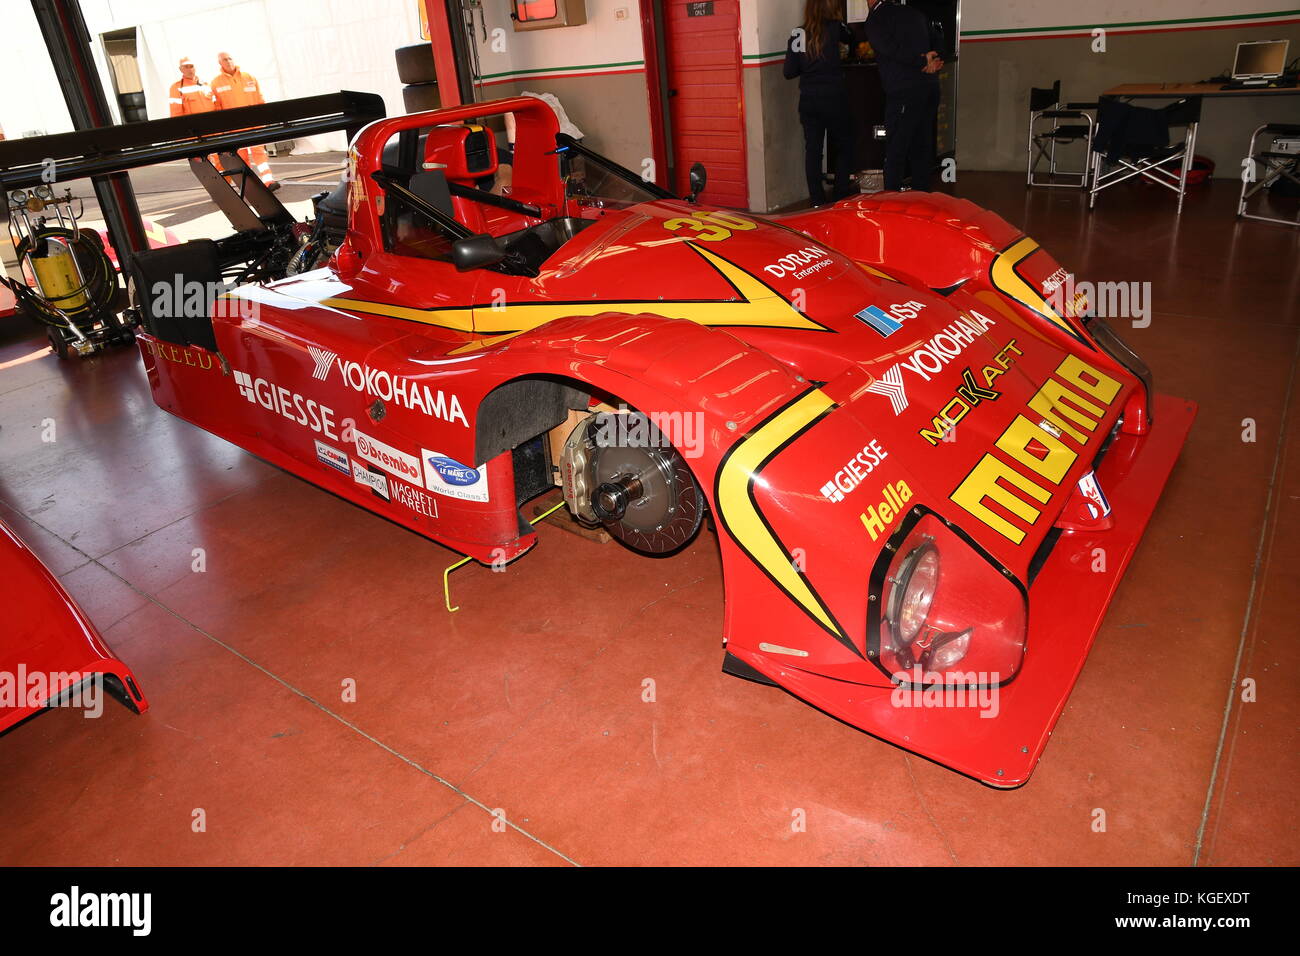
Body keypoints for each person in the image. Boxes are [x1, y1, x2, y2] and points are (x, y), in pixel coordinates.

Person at [862, 0, 943, 191]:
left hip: (904, 91)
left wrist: (921, 60)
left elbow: (891, 50)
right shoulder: (914, 13)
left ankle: (891, 203)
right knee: (921, 148)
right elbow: (937, 38)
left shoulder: (876, 19)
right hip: (929, 88)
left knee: (896, 149)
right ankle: (921, 201)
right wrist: (933, 60)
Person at [784, 0, 855, 206]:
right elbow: (851, 37)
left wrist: (807, 66)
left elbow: (788, 72)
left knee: (813, 150)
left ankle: (817, 201)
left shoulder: (798, 33)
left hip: (809, 100)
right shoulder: (835, 28)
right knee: (845, 144)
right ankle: (841, 195)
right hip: (834, 98)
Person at [210, 51, 277, 190]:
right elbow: (217, 108)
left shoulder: (249, 77)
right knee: (242, 157)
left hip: (253, 123)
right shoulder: (216, 83)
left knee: (259, 152)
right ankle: (249, 185)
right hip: (234, 126)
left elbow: (259, 99)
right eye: (224, 59)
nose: (228, 61)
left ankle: (268, 181)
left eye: (230, 58)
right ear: (219, 63)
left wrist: (265, 118)